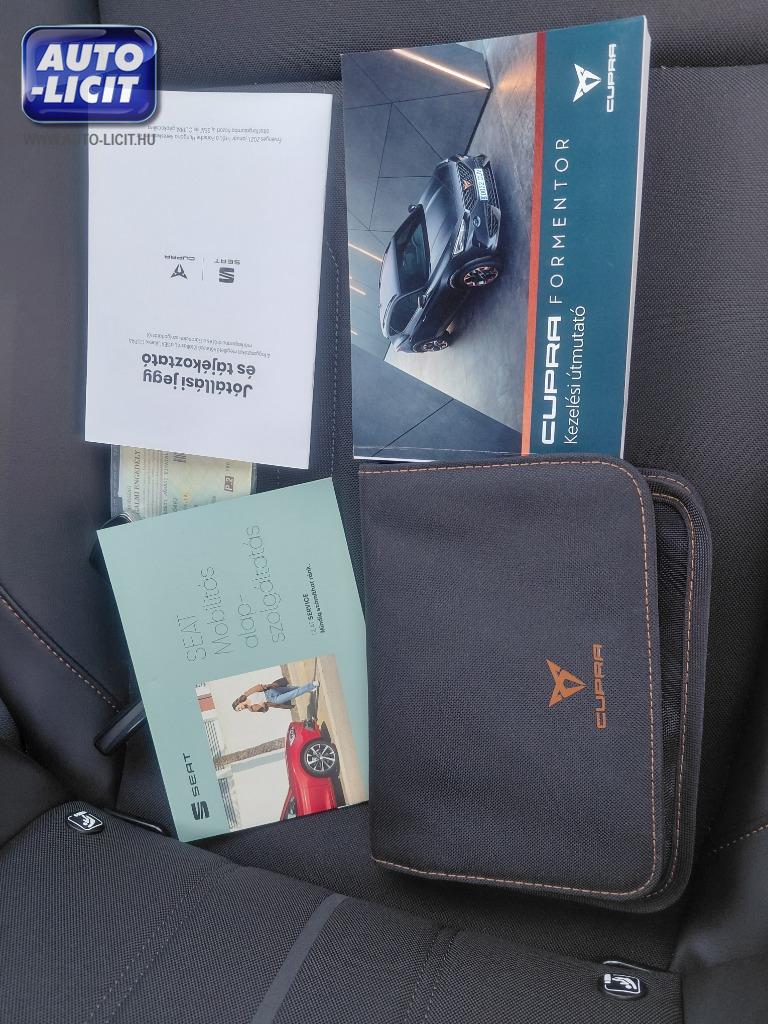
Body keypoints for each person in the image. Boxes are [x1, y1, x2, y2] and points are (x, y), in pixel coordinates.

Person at [232, 676, 319, 714]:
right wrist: (263, 706)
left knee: (291, 689)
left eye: (238, 708)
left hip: (270, 691)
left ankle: (309, 689)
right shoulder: (251, 709)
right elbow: (264, 710)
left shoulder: (246, 695)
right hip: (273, 700)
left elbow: (257, 687)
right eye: (239, 710)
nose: (240, 709)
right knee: (293, 694)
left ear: (238, 703)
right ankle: (312, 685)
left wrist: (267, 686)